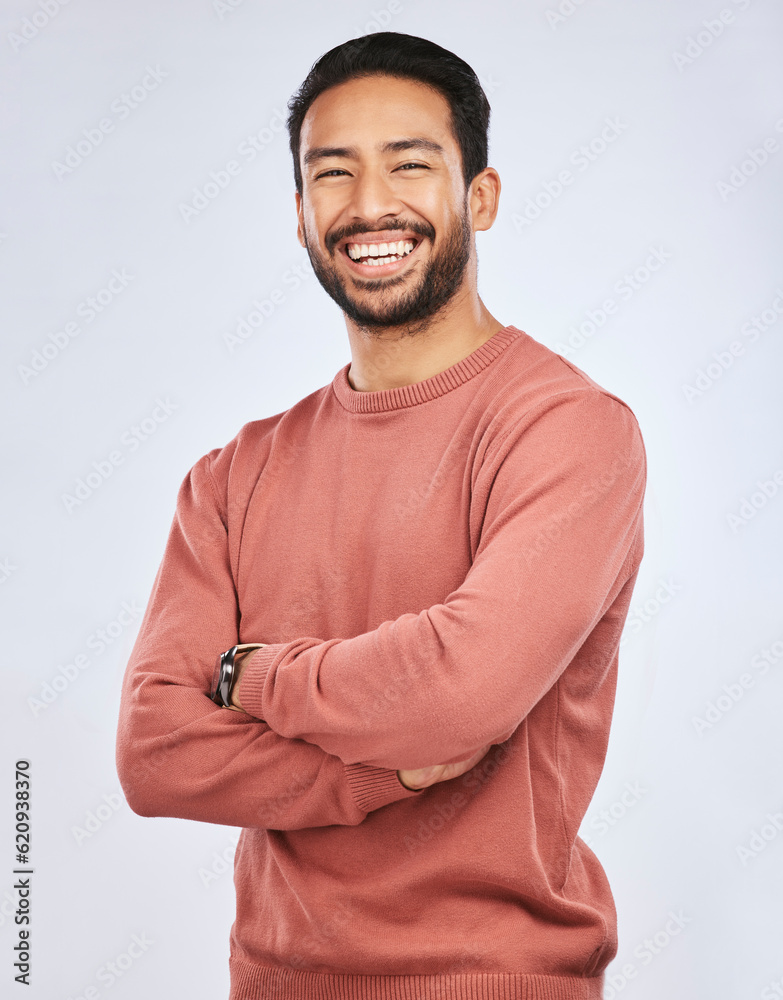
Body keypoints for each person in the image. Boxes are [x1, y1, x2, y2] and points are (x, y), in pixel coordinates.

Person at [116, 30, 647, 1000]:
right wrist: (376, 778)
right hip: (269, 980)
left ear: (479, 195)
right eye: (334, 173)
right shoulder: (231, 475)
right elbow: (153, 751)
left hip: (497, 981)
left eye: (409, 164)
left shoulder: (571, 431)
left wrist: (250, 674)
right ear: (301, 211)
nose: (369, 205)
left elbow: (459, 693)